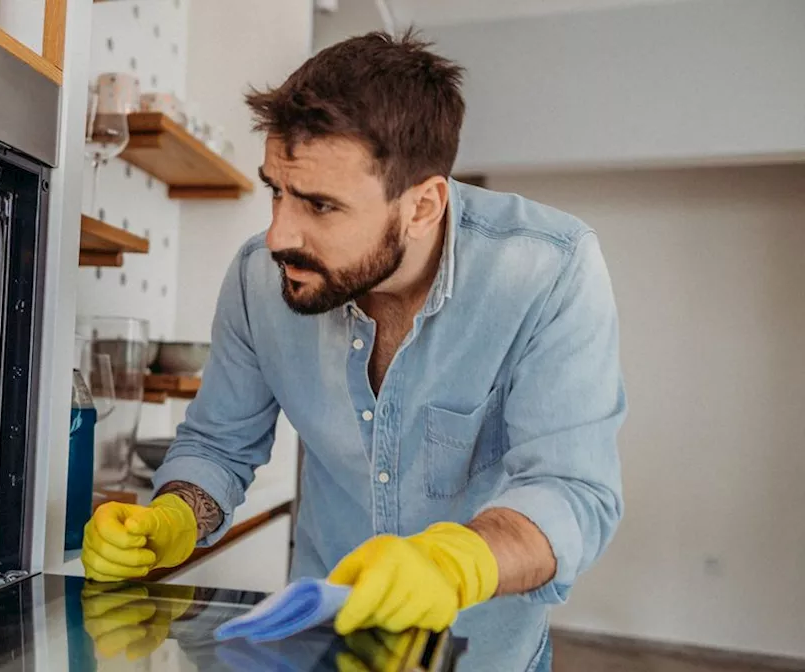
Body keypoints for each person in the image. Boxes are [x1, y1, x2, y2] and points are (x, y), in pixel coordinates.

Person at [80, 29, 625, 671]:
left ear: (422, 205)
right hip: (324, 648)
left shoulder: (548, 270)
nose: (280, 233)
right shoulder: (259, 277)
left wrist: (455, 564)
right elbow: (217, 447)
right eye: (276, 190)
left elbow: (572, 490)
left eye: (320, 205)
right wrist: (172, 516)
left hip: (487, 655)